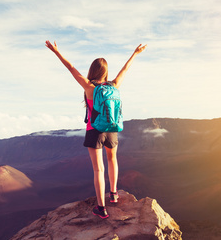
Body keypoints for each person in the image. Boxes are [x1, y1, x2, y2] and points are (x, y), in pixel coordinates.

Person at [45, 40, 147, 219]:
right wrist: (135, 54)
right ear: (105, 72)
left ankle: (101, 208)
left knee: (98, 169)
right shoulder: (113, 85)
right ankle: (113, 194)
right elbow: (125, 70)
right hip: (112, 128)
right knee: (112, 160)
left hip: (94, 130)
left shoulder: (89, 87)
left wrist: (56, 52)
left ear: (92, 71)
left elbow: (71, 68)